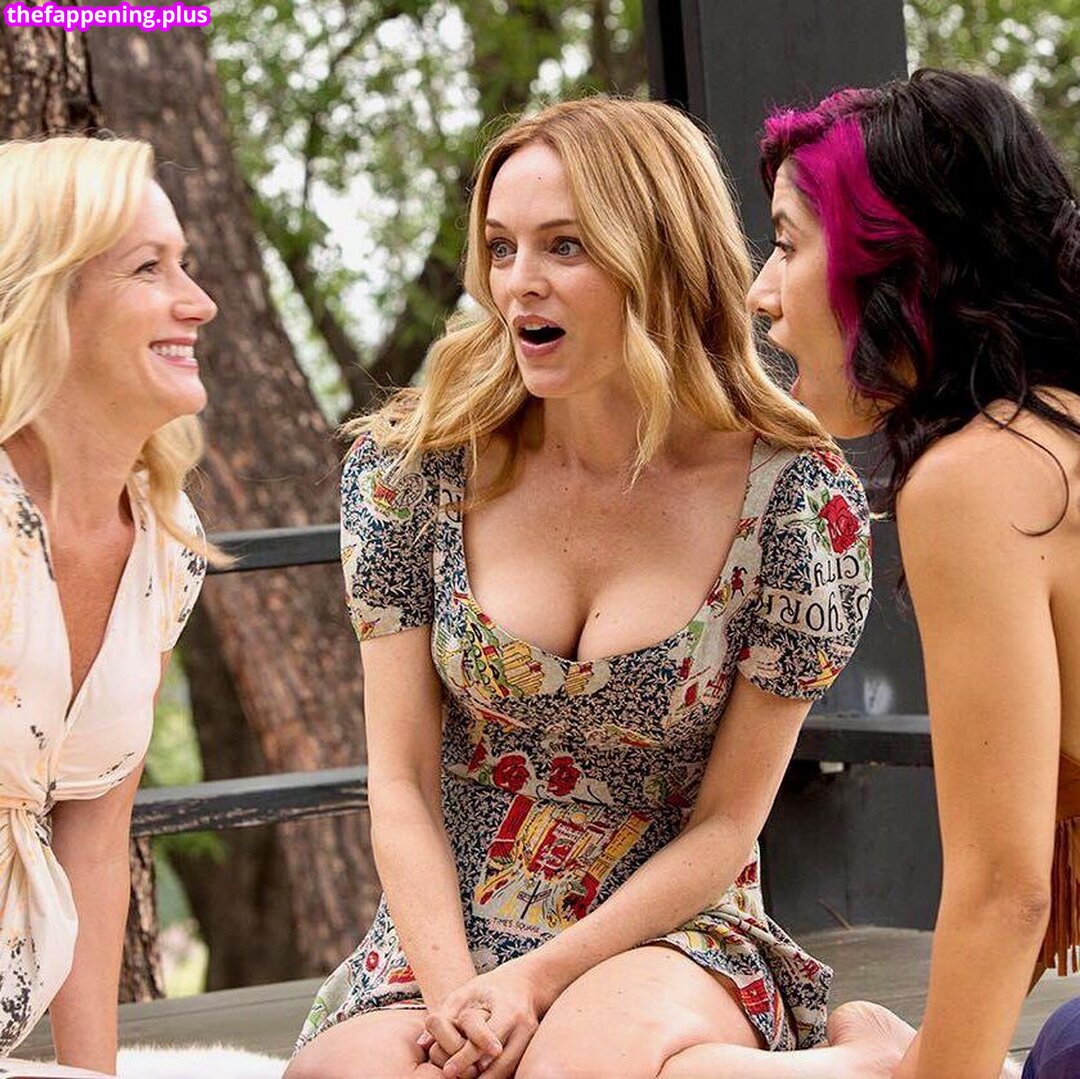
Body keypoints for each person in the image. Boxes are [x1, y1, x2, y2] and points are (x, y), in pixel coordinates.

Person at [285, 96, 879, 1079]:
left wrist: (538, 980)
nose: (519, 282)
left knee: (574, 1068)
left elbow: (727, 824)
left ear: (659, 257)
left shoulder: (794, 502)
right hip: (451, 930)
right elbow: (400, 782)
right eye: (501, 247)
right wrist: (461, 1001)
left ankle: (857, 1057)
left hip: (670, 928)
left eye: (564, 246)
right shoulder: (411, 473)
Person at [734, 68, 1079, 1079]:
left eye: (787, 242)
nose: (760, 293)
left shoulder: (978, 476)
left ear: (900, 261)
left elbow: (1006, 888)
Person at [0, 136, 217, 1076]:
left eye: (185, 263)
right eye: (148, 268)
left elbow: (93, 831)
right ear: (46, 298)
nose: (198, 301)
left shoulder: (165, 537)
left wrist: (94, 1077)